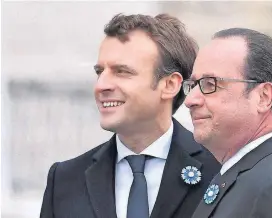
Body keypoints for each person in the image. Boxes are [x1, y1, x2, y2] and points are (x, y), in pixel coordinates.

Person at [39, 13, 220, 218]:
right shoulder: (65, 180)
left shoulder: (220, 171)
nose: (101, 86)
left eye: (122, 72)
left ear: (170, 85)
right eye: (100, 72)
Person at [182, 28, 272, 218]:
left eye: (210, 84)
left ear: (263, 97)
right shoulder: (250, 174)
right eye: (193, 85)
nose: (190, 100)